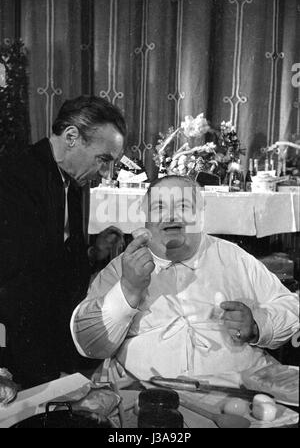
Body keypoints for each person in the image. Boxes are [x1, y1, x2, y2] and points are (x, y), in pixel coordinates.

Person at [71, 175, 299, 382]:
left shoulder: (233, 257)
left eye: (184, 206)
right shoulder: (123, 266)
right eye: (159, 207)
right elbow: (88, 343)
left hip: (237, 391)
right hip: (146, 396)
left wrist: (257, 325)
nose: (171, 215)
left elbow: (290, 307)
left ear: (201, 214)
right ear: (146, 217)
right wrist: (128, 289)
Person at [0, 95, 126, 388]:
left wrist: (93, 252)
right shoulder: (13, 177)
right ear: (71, 136)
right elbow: (20, 280)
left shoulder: (71, 177)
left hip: (49, 326)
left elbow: (55, 252)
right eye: (104, 159)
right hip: (19, 339)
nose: (106, 173)